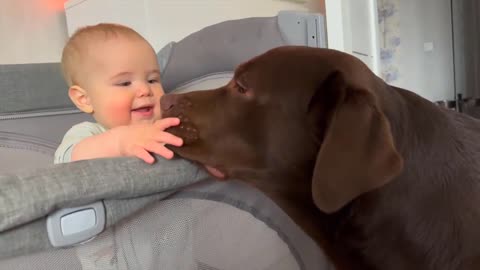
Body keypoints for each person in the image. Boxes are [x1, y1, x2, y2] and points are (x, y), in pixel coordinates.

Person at [54, 23, 183, 165]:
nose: (145, 90)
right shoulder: (88, 133)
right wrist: (120, 142)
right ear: (85, 99)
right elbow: (68, 159)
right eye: (125, 83)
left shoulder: (167, 125)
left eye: (152, 80)